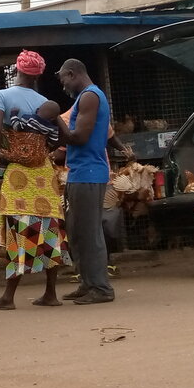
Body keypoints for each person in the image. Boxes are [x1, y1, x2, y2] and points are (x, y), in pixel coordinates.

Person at [0, 50, 70, 310]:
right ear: (38, 75)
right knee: (49, 230)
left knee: (19, 230)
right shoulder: (45, 101)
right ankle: (50, 294)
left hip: (17, 174)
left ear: (16, 70)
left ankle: (8, 297)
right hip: (44, 174)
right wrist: (46, 148)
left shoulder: (2, 96)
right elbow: (64, 135)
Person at [55, 59, 115, 305]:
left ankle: (101, 288)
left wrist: (55, 118)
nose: (64, 85)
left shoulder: (90, 97)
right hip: (80, 172)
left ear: (72, 73)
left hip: (89, 173)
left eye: (64, 80)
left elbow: (79, 137)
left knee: (90, 233)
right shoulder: (85, 98)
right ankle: (88, 283)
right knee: (78, 232)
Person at [52, 109, 133, 279]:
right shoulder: (86, 115)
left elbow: (110, 137)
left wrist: (48, 156)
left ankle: (95, 267)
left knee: (86, 225)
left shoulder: (72, 118)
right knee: (98, 224)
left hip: (84, 179)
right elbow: (110, 139)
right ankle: (92, 268)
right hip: (94, 177)